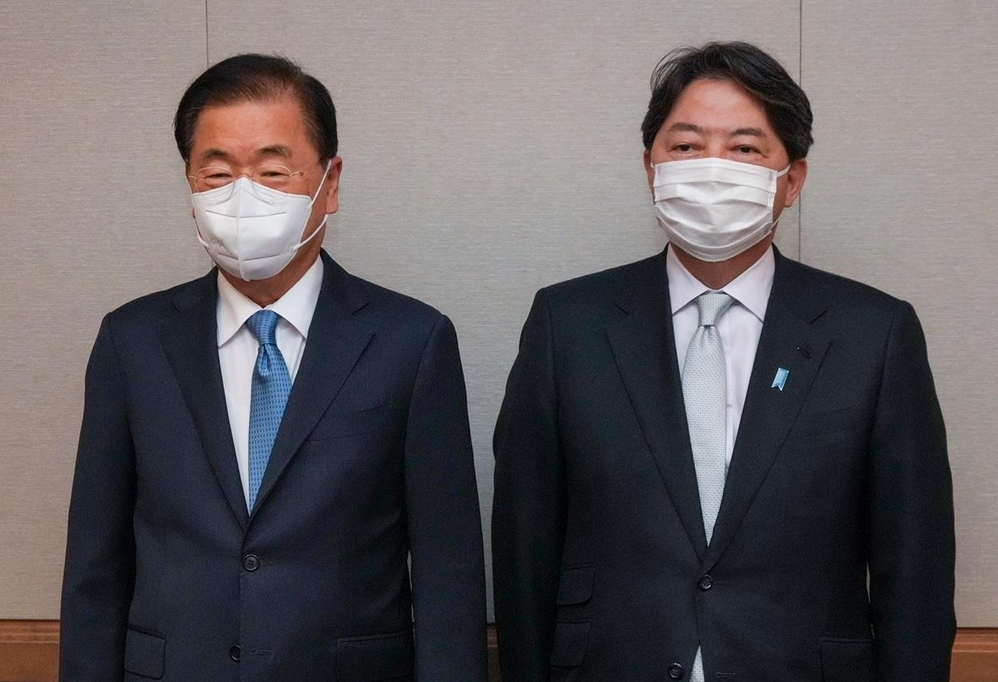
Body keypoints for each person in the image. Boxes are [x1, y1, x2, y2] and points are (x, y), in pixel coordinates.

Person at [492, 41, 955, 682]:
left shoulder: (873, 333)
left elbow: (916, 571)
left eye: (744, 148)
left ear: (791, 180)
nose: (711, 168)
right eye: (685, 146)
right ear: (650, 167)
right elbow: (524, 550)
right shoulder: (566, 324)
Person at [60, 54, 488, 681]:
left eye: (272, 170)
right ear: (189, 181)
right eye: (218, 171)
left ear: (330, 182)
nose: (243, 194)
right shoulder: (133, 342)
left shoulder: (411, 341)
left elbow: (448, 572)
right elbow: (95, 570)